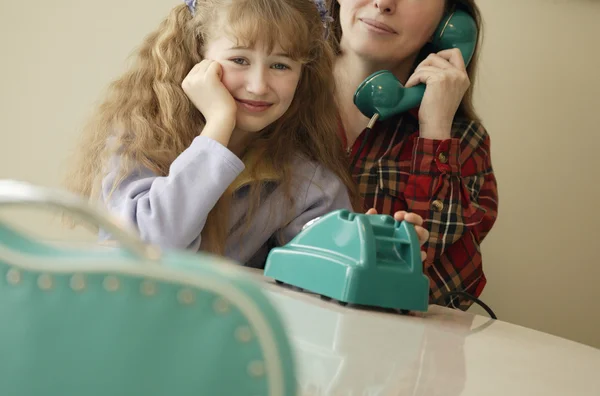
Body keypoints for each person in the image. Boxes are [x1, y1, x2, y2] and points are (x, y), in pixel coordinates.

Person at [64, 0, 429, 268]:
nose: (258, 85)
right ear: (197, 54)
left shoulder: (304, 180)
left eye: (280, 65)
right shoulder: (140, 140)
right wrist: (217, 127)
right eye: (239, 60)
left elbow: (328, 272)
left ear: (303, 74)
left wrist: (380, 251)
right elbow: (152, 250)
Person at [327, 0, 499, 309]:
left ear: (449, 22)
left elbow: (442, 296)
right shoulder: (267, 95)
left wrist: (434, 131)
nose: (384, 3)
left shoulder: (464, 144)